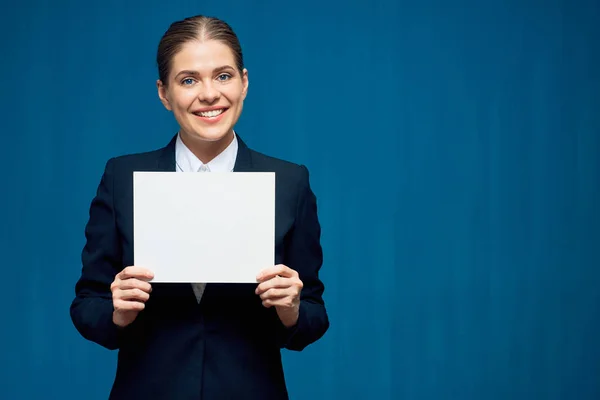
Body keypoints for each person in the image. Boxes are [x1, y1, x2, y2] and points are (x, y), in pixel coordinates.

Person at [70, 15, 329, 400]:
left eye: (223, 76)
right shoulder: (122, 177)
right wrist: (116, 311)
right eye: (188, 80)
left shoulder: (289, 182)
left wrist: (291, 308)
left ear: (244, 82)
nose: (209, 94)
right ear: (164, 93)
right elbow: (86, 303)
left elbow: (313, 314)